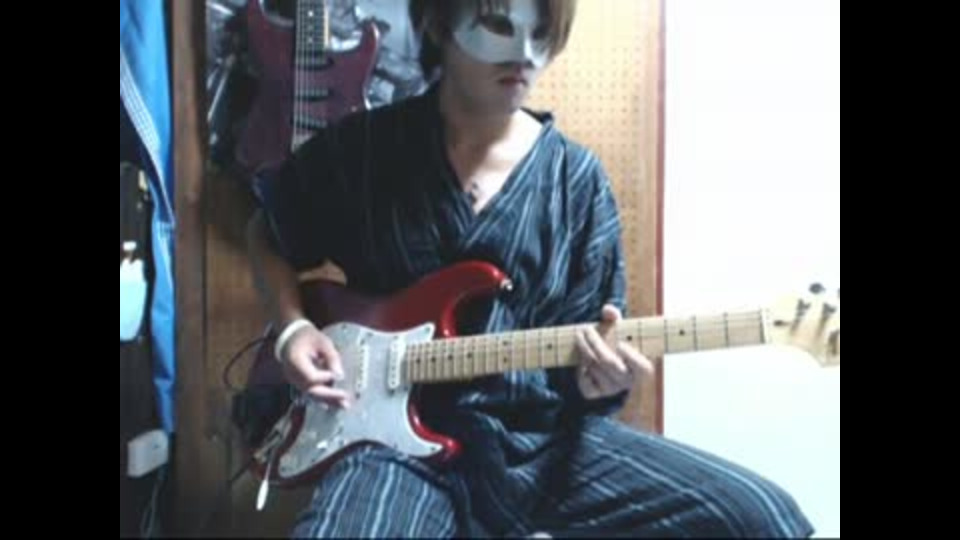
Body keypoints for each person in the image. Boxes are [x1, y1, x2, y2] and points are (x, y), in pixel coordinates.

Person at [245, 0, 815, 537]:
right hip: (388, 448)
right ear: (441, 23)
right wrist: (294, 329)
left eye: (541, 33)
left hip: (537, 443)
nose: (524, 54)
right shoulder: (365, 150)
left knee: (765, 519)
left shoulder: (577, 182)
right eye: (499, 25)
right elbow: (267, 233)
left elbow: (590, 364)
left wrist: (599, 382)